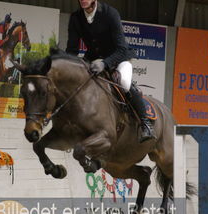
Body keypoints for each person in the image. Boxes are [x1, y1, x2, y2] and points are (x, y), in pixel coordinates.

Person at [66, 0, 156, 143]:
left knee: (124, 82)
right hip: (93, 60)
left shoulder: (110, 14)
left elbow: (121, 49)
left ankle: (146, 124)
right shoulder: (76, 18)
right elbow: (72, 50)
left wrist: (105, 63)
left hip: (118, 58)